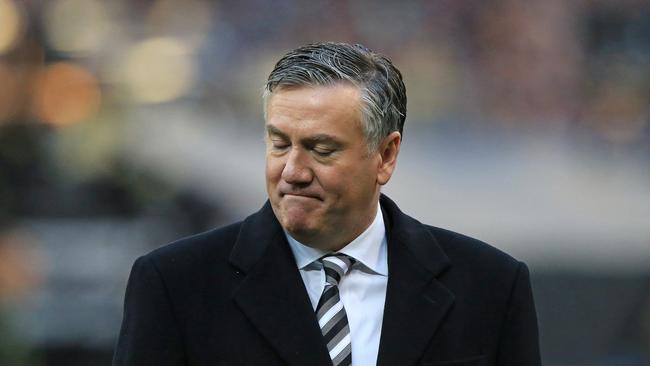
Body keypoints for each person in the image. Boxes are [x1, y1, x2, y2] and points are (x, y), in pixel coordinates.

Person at [112, 42, 541, 366]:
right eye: (279, 144)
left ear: (385, 156)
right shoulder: (175, 285)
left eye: (321, 149)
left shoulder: (490, 286)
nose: (293, 171)